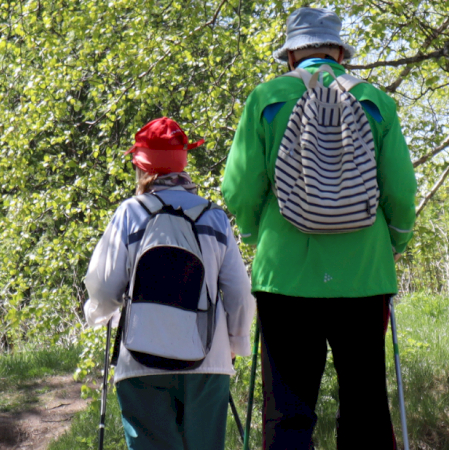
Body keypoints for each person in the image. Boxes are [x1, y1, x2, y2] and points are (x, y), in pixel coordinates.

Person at [221, 7, 417, 450]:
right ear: (339, 54)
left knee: (288, 413)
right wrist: (396, 240)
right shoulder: (375, 100)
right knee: (365, 409)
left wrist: (254, 234)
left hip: (284, 276)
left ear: (291, 56)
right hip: (364, 276)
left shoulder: (267, 99)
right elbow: (401, 192)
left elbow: (238, 187)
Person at [84, 117, 256, 450]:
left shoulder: (129, 214)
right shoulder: (213, 217)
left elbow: (104, 289)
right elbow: (239, 294)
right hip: (209, 363)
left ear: (140, 167)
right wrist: (235, 343)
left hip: (141, 362)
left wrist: (99, 315)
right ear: (184, 162)